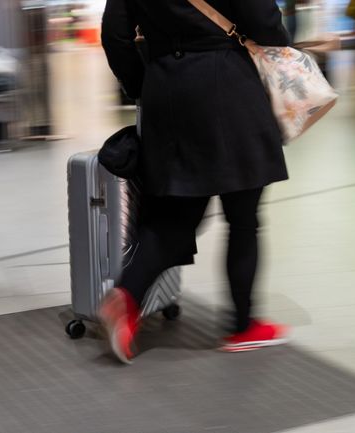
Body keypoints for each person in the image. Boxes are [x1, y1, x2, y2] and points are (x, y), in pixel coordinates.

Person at [99, 0, 291, 364]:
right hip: (230, 86)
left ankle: (125, 298)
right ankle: (243, 325)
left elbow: (114, 35)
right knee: (243, 218)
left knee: (172, 217)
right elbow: (264, 20)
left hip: (166, 93)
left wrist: (145, 82)